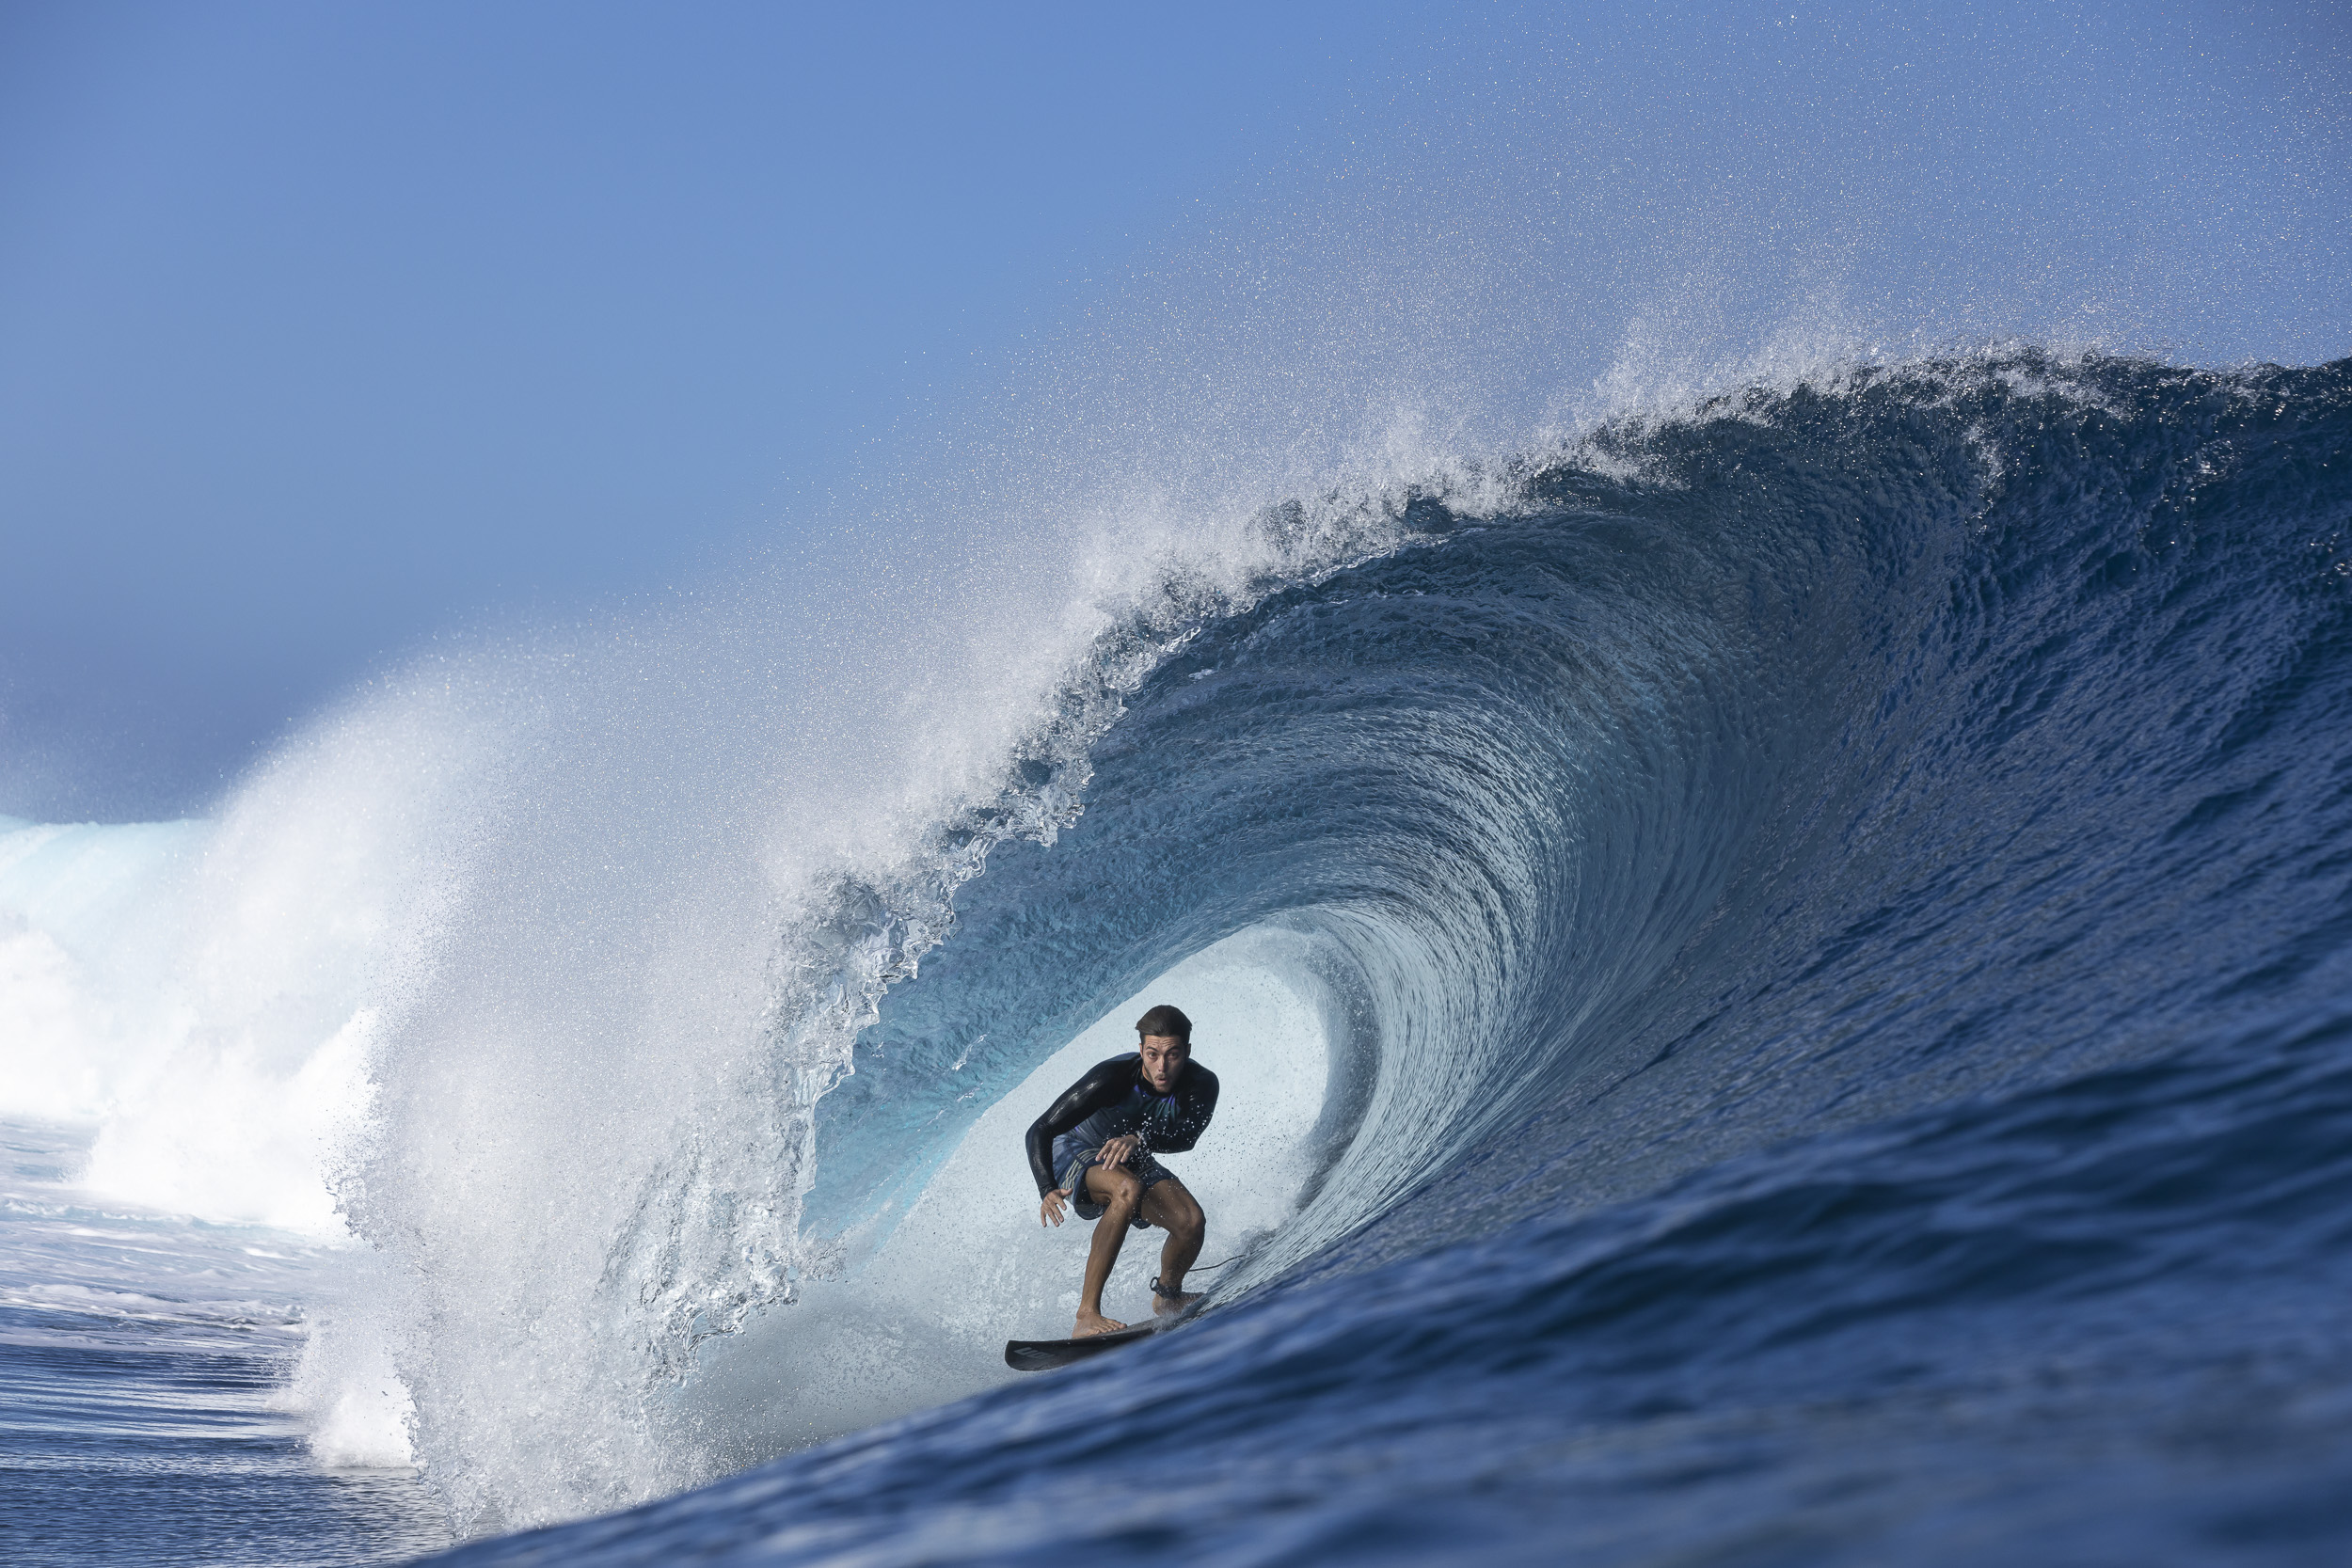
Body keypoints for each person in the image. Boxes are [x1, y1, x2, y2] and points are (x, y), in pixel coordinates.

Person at [1025, 1004, 1220, 1338]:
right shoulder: (1112, 1077)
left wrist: (1139, 1138)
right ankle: (1086, 1314)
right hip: (1075, 1149)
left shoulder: (1201, 1084)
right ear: (1141, 1050)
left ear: (1187, 1051)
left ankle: (1168, 1297)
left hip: (1129, 1150)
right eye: (1152, 1054)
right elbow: (1040, 1128)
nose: (1162, 1067)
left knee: (1190, 1222)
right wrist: (1046, 1188)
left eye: (1173, 1055)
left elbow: (1186, 1137)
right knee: (1126, 1188)